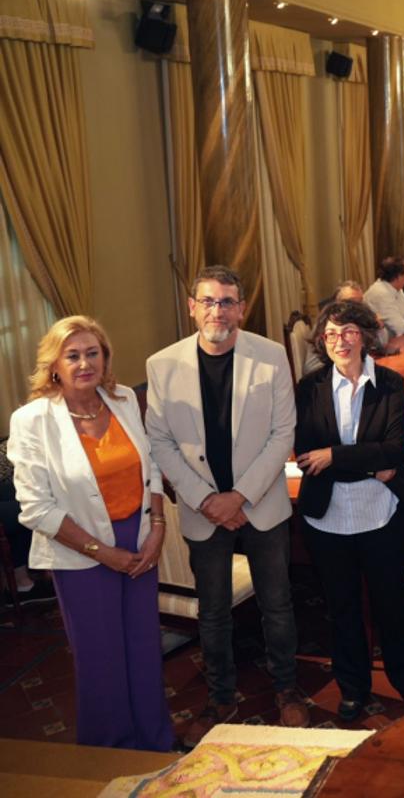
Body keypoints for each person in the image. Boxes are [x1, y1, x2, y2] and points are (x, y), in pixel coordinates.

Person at [145, 265, 306, 745]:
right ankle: (220, 697)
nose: (219, 310)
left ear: (242, 307)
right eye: (209, 301)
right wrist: (208, 500)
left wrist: (241, 496)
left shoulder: (272, 356)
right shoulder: (162, 364)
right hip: (203, 509)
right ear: (192, 307)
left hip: (262, 504)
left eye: (228, 301)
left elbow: (284, 434)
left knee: (277, 604)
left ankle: (287, 689)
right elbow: (161, 441)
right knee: (212, 610)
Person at [8, 316, 173, 751]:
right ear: (54, 365)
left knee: (142, 650)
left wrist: (157, 528)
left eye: (93, 353)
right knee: (101, 660)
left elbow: (151, 467)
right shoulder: (32, 421)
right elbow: (36, 509)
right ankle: (111, 753)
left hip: (138, 542)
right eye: (73, 355)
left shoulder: (121, 400)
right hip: (80, 553)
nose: (85, 363)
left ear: (106, 358)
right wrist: (104, 553)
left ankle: (156, 743)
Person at [295, 301, 404, 720]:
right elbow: (305, 454)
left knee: (391, 604)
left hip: (382, 516)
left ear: (365, 335)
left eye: (349, 331)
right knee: (342, 609)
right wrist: (370, 464)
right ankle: (353, 688)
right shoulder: (309, 387)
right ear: (323, 341)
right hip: (327, 517)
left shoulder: (391, 383)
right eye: (331, 334)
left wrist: (334, 456)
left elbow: (396, 448)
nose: (341, 341)